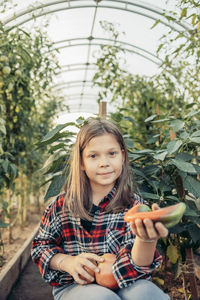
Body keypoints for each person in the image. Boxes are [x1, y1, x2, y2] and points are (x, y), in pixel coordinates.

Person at [31, 118, 170, 300]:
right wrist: (67, 262)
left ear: (123, 156)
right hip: (74, 286)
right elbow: (41, 246)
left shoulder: (134, 206)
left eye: (111, 153)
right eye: (93, 156)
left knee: (148, 295)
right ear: (81, 162)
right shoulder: (62, 205)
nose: (104, 162)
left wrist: (146, 240)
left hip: (125, 282)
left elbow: (138, 266)